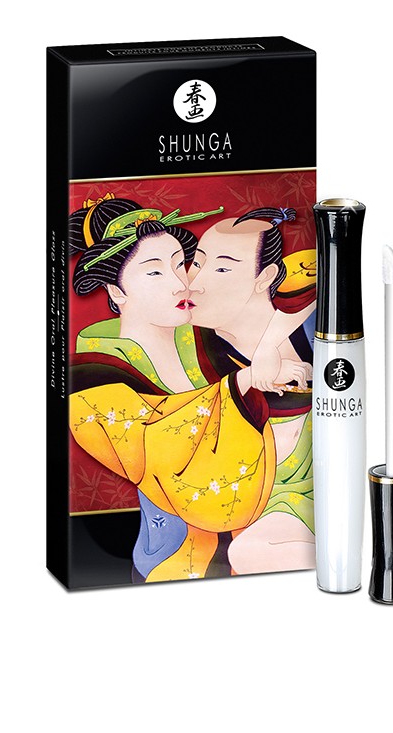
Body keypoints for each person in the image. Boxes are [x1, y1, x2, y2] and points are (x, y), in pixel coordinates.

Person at [67, 196, 309, 582]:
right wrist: (243, 382)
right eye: (154, 272)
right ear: (116, 292)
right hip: (178, 559)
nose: (182, 283)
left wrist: (272, 356)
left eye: (181, 264)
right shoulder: (94, 374)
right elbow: (152, 447)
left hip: (262, 537)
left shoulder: (202, 338)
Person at [187, 207, 316, 573]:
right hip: (254, 501)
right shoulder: (188, 346)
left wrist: (267, 347)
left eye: (222, 268)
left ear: (267, 277)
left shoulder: (309, 326)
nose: (195, 282)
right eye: (197, 263)